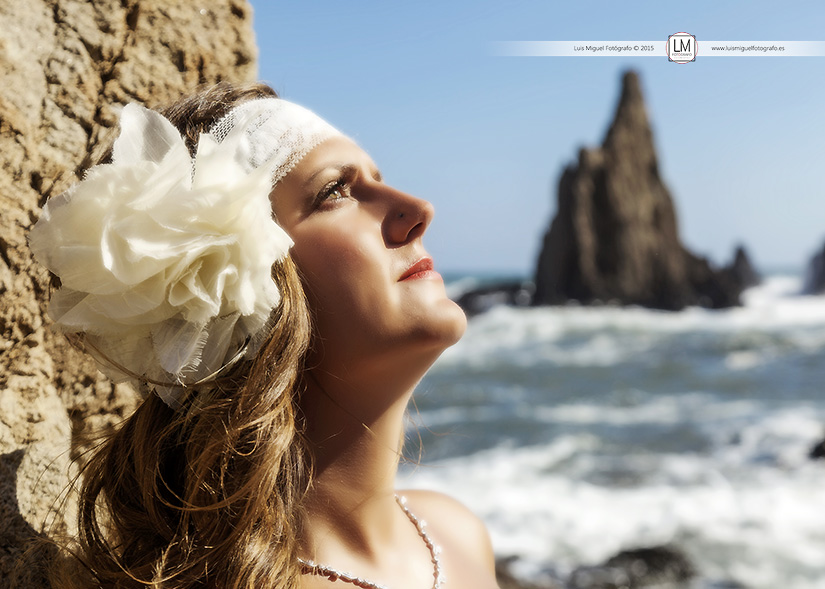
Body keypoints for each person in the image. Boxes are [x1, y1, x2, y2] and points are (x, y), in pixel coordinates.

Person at [30, 82, 500, 589]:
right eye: (335, 192)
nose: (418, 209)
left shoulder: (458, 535)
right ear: (239, 292)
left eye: (377, 178)